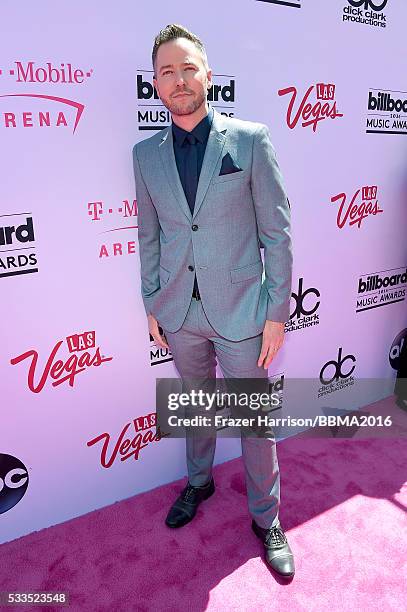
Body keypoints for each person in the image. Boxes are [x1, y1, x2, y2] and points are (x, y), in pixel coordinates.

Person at [132, 24, 294, 578]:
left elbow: (278, 233)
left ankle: (266, 517)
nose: (178, 80)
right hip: (180, 312)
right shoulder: (145, 154)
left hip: (245, 312)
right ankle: (198, 483)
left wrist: (277, 313)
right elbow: (149, 234)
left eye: (188, 68)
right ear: (155, 83)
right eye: (166, 71)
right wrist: (152, 301)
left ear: (208, 75)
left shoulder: (249, 140)